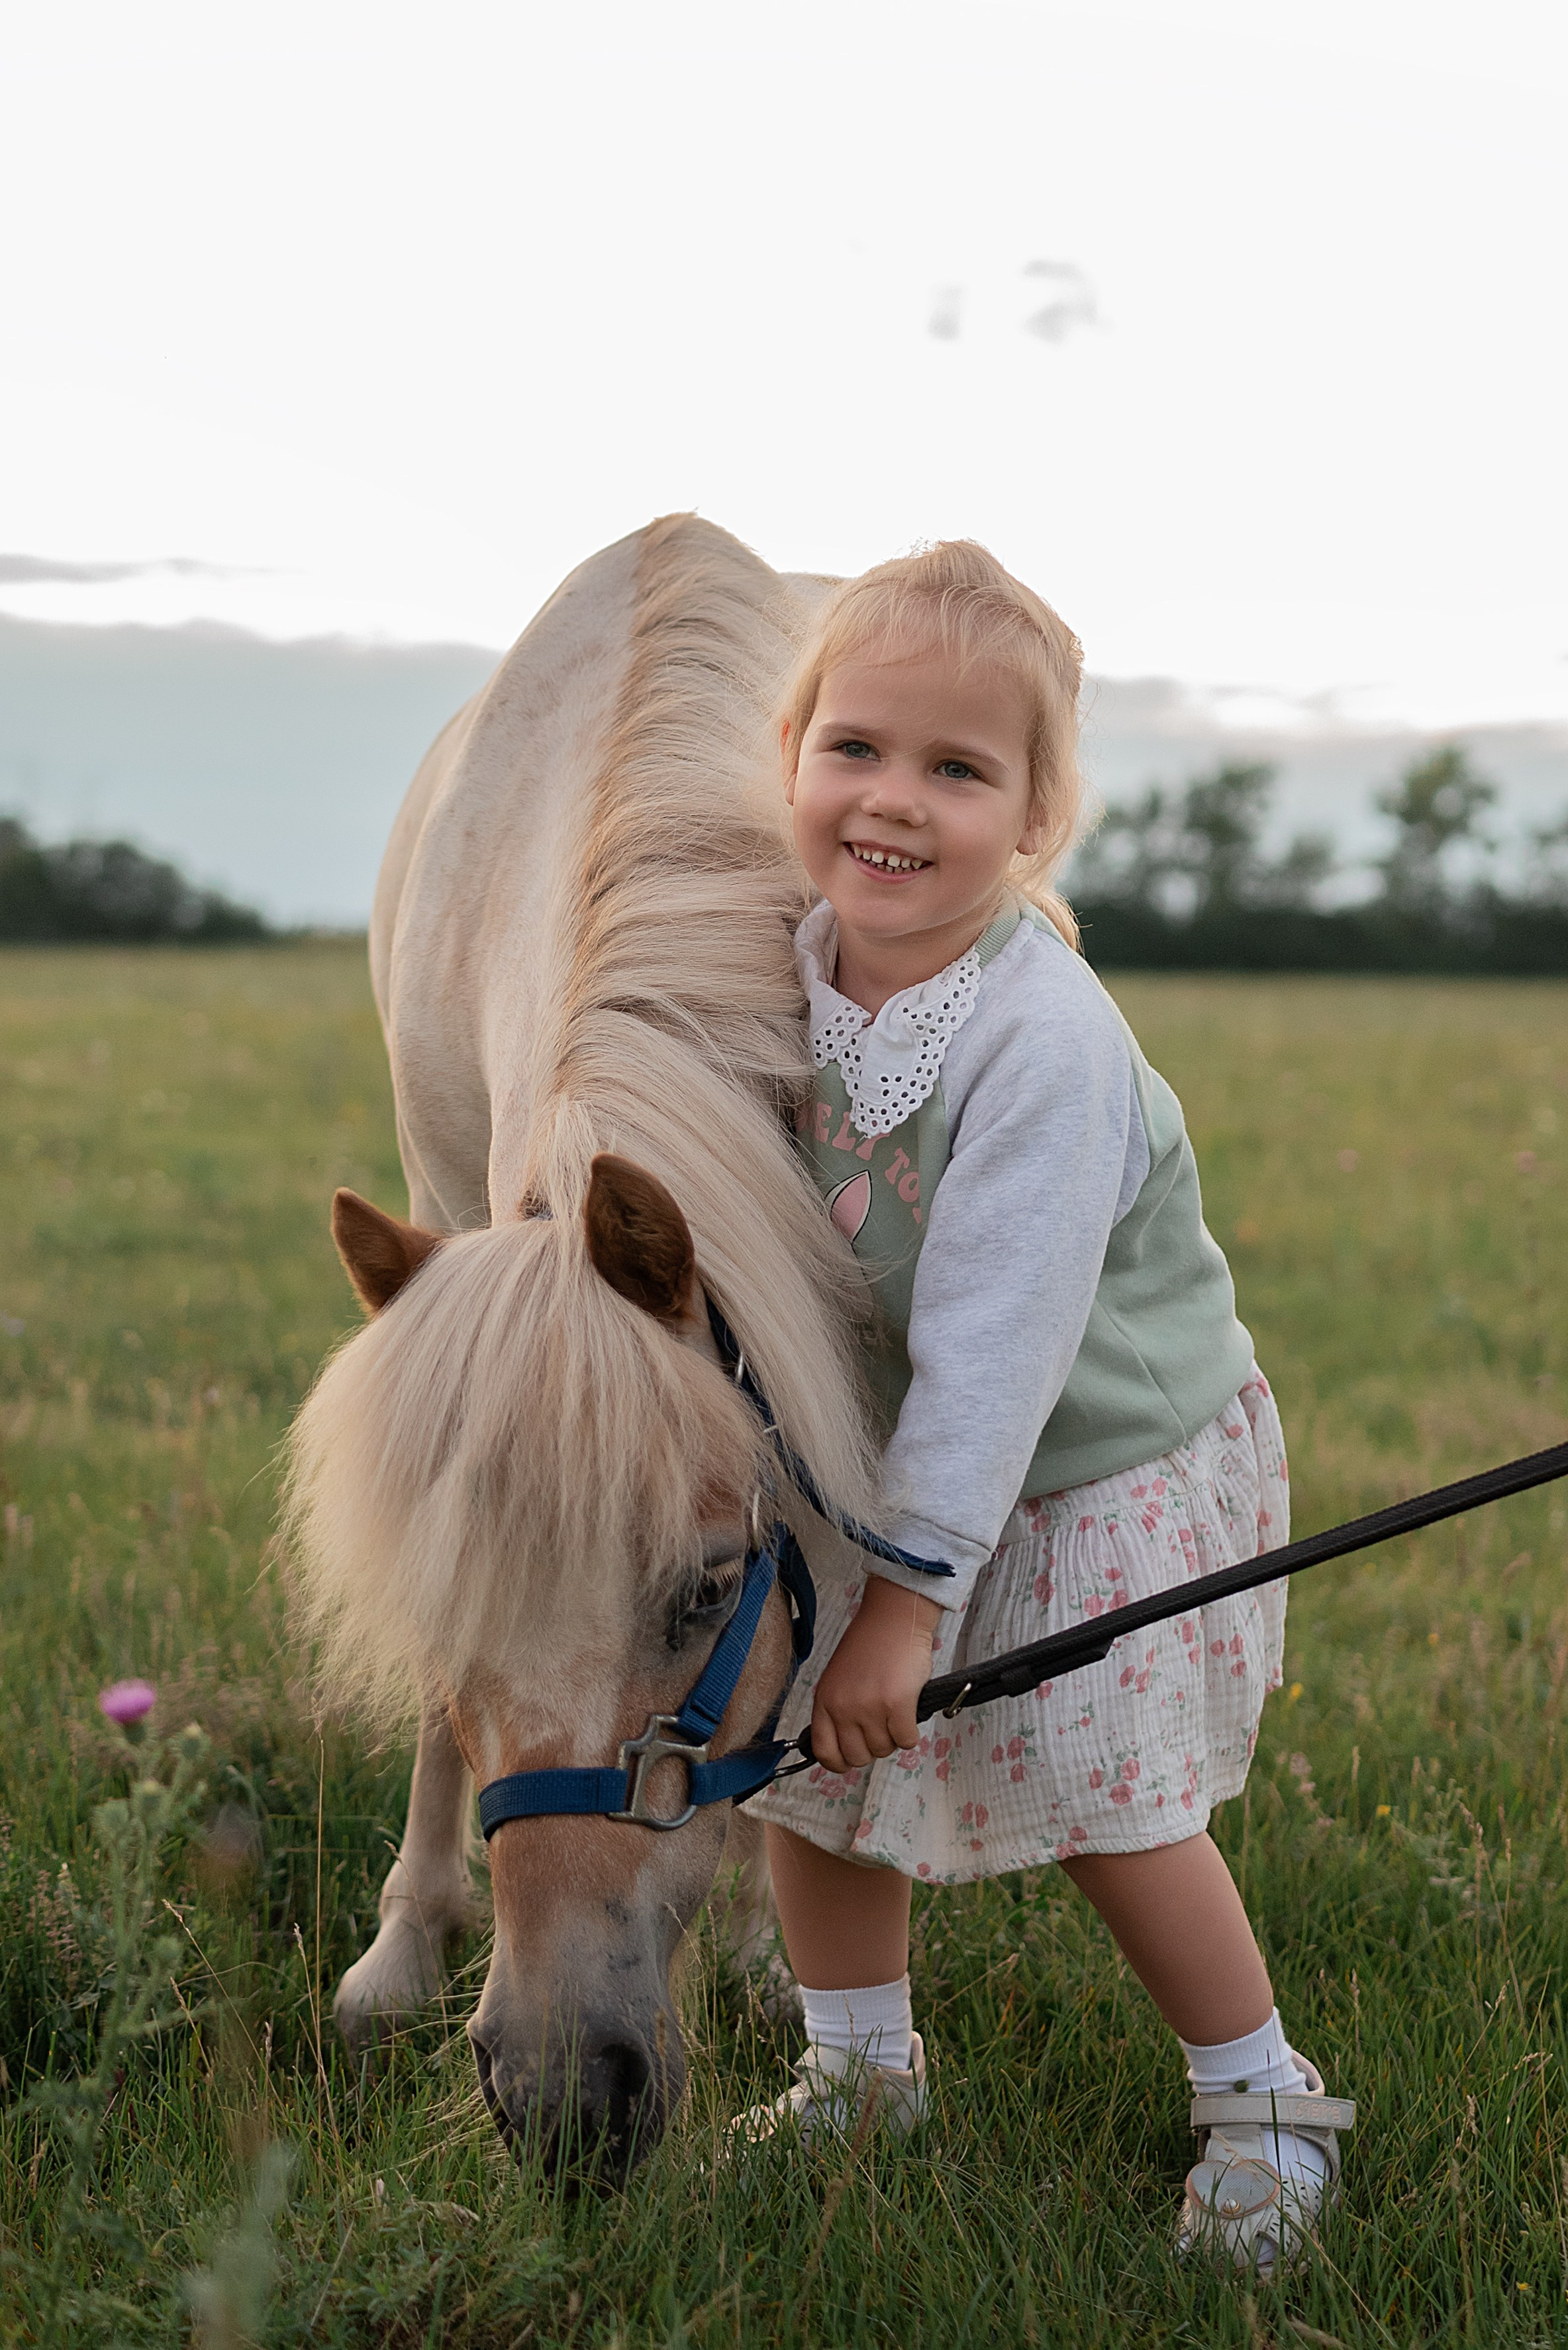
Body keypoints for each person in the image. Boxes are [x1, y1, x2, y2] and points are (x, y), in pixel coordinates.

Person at [742, 541, 1353, 2273]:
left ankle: (1263, 2093)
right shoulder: (778, 968)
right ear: (791, 753)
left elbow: (1000, 1350)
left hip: (1093, 1462)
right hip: (886, 1457)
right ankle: (858, 2070)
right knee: (809, 1766)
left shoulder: (1040, 1040)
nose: (893, 799)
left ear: (1036, 815)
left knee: (1103, 1789)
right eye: (855, 746)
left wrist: (908, 1607)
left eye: (957, 767)